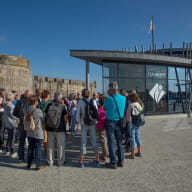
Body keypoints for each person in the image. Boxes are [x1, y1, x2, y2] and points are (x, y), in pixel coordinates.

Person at [104, 81, 126, 169]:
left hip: (110, 121)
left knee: (111, 142)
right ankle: (121, 160)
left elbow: (105, 108)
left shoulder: (108, 99)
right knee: (119, 141)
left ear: (111, 89)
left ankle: (113, 162)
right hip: (120, 122)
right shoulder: (124, 98)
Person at [76, 89, 99, 168]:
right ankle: (97, 160)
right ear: (89, 94)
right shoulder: (93, 101)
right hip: (92, 123)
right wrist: (95, 121)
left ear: (82, 94)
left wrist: (79, 121)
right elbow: (96, 112)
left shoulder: (80, 102)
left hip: (84, 122)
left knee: (83, 142)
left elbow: (77, 114)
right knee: (94, 140)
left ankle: (81, 161)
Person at [45, 92, 67, 167]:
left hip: (50, 128)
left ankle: (50, 161)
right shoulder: (62, 106)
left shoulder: (49, 105)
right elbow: (65, 117)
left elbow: (46, 115)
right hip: (60, 129)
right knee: (60, 146)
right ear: (60, 98)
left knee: (50, 146)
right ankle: (60, 161)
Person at [13, 89, 33, 162]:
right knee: (31, 141)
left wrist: (19, 118)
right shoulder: (32, 102)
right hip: (30, 124)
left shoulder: (19, 102)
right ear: (30, 95)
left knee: (22, 141)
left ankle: (21, 157)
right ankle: (30, 157)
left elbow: (14, 113)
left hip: (21, 123)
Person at [26, 96, 45, 170]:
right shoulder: (38, 111)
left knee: (30, 148)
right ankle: (38, 165)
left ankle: (29, 163)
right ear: (35, 102)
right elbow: (43, 120)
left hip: (29, 131)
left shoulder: (27, 109)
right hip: (37, 131)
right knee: (38, 148)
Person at [126, 92, 142, 159]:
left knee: (132, 138)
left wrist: (128, 123)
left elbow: (128, 115)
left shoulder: (130, 105)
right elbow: (141, 112)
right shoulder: (138, 104)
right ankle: (139, 152)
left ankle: (132, 154)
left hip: (132, 123)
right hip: (138, 122)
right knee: (138, 136)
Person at [3, 92, 19, 158]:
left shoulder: (6, 104)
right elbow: (12, 115)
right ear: (11, 98)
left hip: (8, 123)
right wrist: (18, 118)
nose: (14, 98)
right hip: (12, 123)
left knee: (9, 137)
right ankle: (12, 152)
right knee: (12, 138)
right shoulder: (10, 105)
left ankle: (8, 150)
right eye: (13, 97)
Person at [96, 95, 109, 162]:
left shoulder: (100, 110)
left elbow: (99, 118)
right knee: (105, 140)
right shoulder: (107, 109)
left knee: (103, 141)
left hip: (101, 127)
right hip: (106, 126)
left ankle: (105, 155)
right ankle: (105, 153)